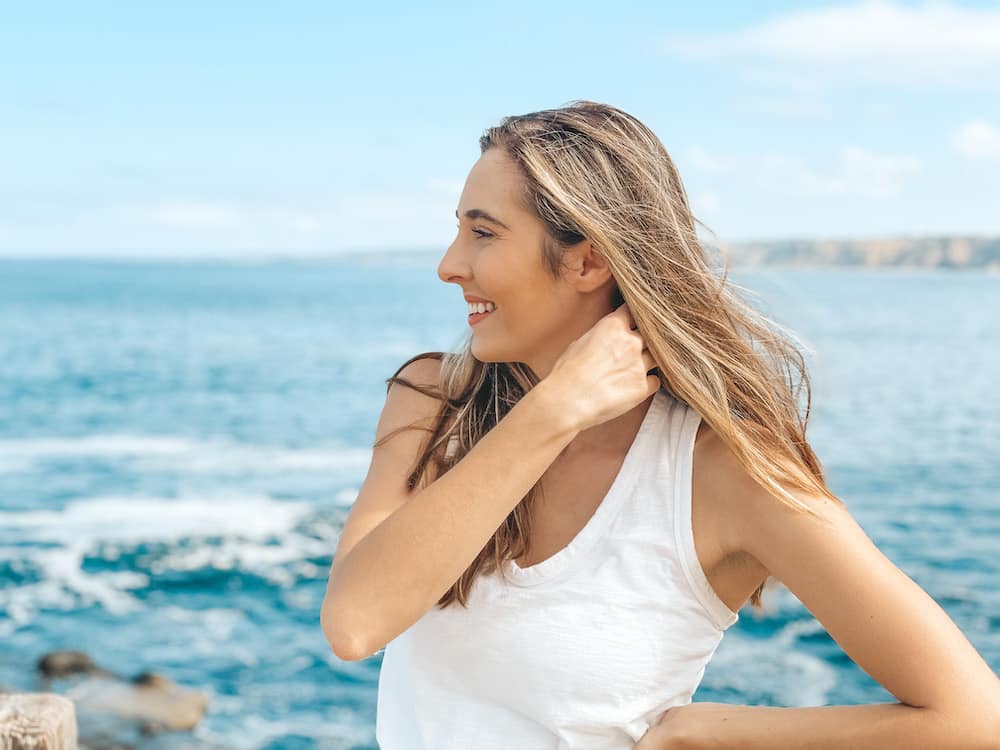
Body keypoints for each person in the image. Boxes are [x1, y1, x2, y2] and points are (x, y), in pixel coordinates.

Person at [321, 101, 1000, 749]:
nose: (449, 264)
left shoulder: (721, 470)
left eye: (484, 233)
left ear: (587, 261)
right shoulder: (434, 401)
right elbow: (354, 623)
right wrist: (553, 413)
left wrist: (700, 734)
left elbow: (973, 715)